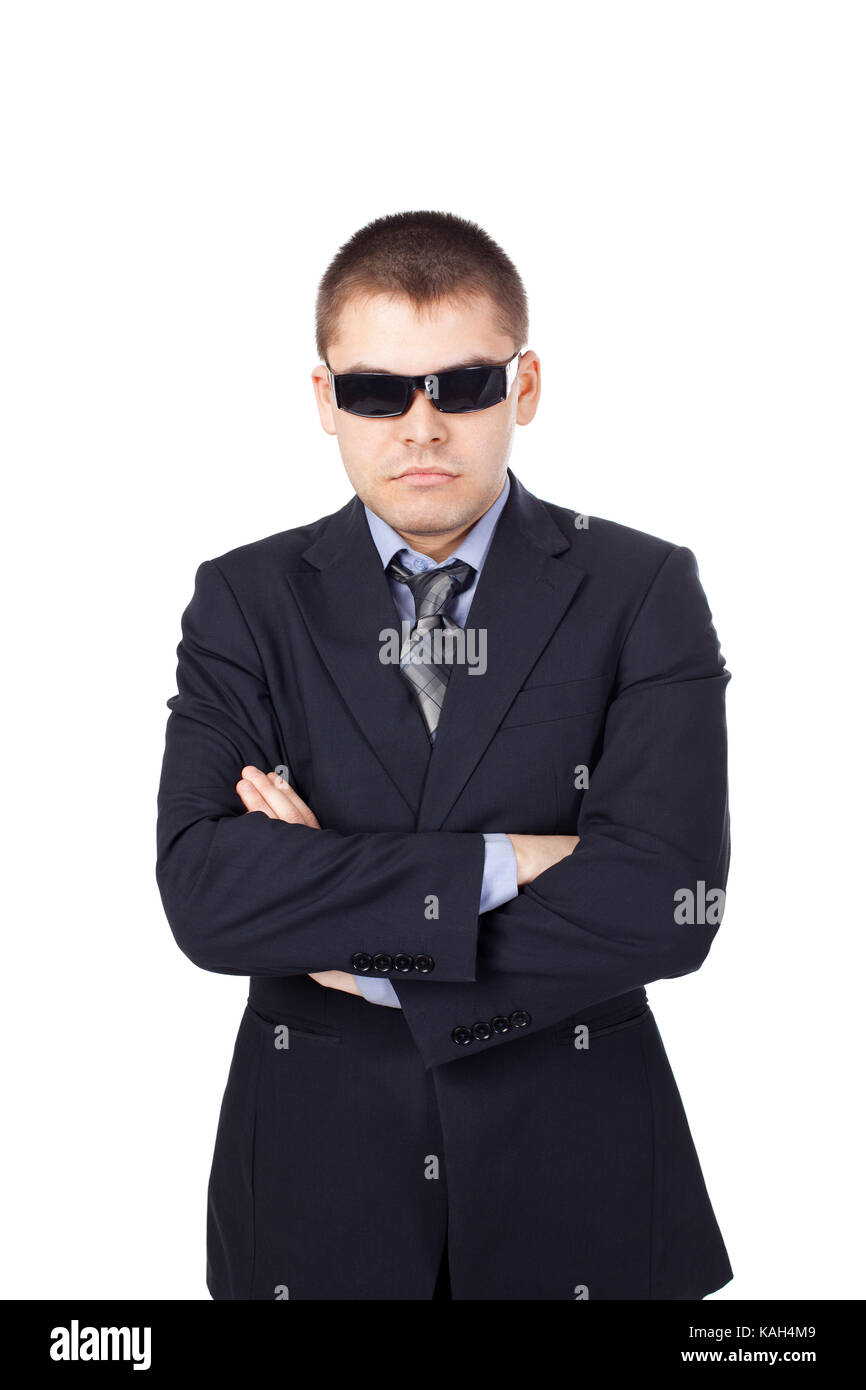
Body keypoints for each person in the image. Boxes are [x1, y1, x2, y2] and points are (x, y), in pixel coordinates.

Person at [156, 209, 733, 1300]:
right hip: (314, 1192)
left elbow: (669, 898)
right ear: (324, 401)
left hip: (580, 1179)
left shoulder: (640, 589)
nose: (419, 426)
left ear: (521, 387)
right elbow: (207, 895)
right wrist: (512, 857)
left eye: (459, 386)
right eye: (377, 390)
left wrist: (366, 949)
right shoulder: (242, 600)